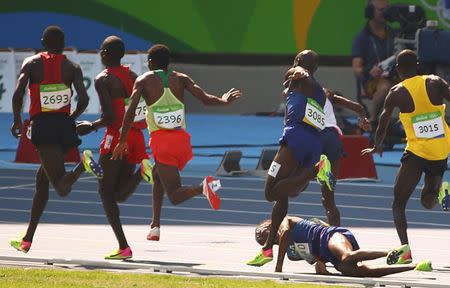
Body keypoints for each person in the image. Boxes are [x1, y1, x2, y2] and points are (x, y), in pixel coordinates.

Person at [111, 44, 241, 241]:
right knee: (157, 175)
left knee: (174, 194)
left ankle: (203, 187)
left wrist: (122, 140)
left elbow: (130, 111)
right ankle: (155, 226)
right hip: (182, 141)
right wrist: (224, 101)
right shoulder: (181, 78)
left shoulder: (144, 80)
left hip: (162, 143)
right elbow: (205, 99)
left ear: (150, 63)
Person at [9, 26, 102, 253]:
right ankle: (27, 239)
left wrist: (17, 121)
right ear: (63, 44)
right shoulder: (72, 67)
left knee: (61, 187)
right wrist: (71, 118)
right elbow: (84, 99)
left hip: (43, 127)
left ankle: (84, 164)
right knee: (42, 181)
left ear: (43, 42)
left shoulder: (31, 64)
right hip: (63, 127)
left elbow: (18, 93)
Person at [247, 50, 335, 267]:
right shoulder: (319, 91)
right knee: (285, 194)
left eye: (297, 61)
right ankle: (268, 248)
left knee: (270, 192)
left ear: (299, 62)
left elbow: (298, 72)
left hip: (295, 138)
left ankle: (314, 171)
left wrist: (298, 70)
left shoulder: (299, 74)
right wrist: (359, 111)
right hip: (314, 143)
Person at [362, 49, 450, 264]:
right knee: (427, 201)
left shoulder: (396, 92)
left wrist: (376, 145)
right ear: (418, 65)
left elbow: (383, 122)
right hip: (441, 149)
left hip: (417, 152)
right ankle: (442, 191)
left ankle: (405, 251)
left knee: (398, 203)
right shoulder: (435, 81)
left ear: (398, 70)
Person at [76, 36, 154, 259]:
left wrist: (90, 126)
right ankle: (142, 171)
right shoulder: (133, 76)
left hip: (116, 139)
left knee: (105, 192)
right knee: (117, 194)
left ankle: (124, 247)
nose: (100, 53)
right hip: (136, 138)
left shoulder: (104, 79)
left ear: (106, 54)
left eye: (101, 50)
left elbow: (109, 117)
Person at [253, 216, 432, 276]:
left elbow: (285, 234)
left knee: (347, 256)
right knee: (361, 272)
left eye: (264, 235)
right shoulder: (291, 253)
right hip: (328, 254)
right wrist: (321, 266)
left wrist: (278, 267)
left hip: (330, 236)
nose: (266, 241)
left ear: (270, 225)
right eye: (263, 241)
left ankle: (394, 252)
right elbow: (312, 256)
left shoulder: (285, 221)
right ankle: (414, 266)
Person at [319, 89, 371, 226]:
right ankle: (336, 234)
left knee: (284, 189)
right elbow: (359, 108)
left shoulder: (294, 91)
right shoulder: (326, 93)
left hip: (313, 138)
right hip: (333, 139)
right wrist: (362, 120)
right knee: (328, 199)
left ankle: (315, 170)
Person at [352, 0, 396, 124]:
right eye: (381, 10)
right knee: (385, 87)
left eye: (386, 10)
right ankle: (373, 121)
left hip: (395, 76)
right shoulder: (362, 38)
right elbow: (356, 69)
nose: (385, 13)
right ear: (370, 12)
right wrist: (369, 70)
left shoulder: (394, 34)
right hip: (373, 81)